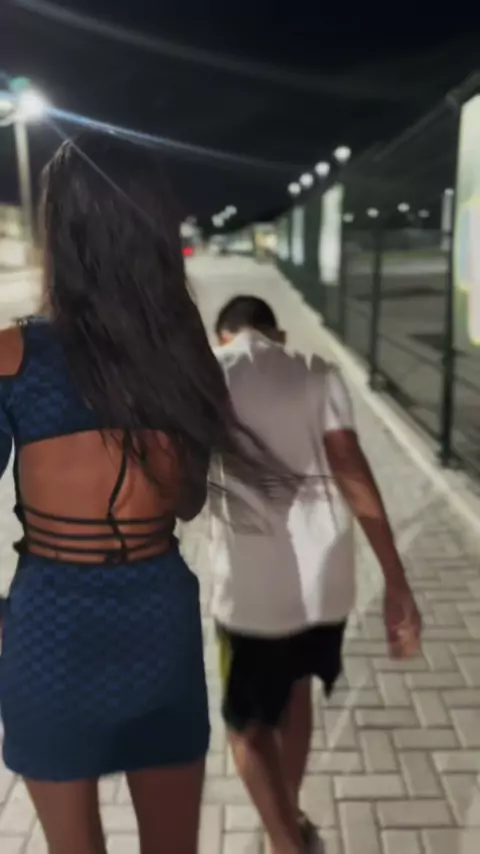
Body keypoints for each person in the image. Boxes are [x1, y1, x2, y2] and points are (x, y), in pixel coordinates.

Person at [0, 134, 239, 854]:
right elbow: (188, 502)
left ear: (58, 228)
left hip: (51, 625)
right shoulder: (183, 351)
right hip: (156, 614)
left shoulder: (14, 353)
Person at [209, 296, 422, 854]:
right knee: (296, 690)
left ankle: (285, 843)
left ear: (221, 336)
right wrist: (395, 579)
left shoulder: (209, 378)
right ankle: (290, 815)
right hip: (322, 592)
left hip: (250, 597)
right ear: (278, 333)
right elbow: (351, 467)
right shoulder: (318, 374)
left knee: (246, 729)